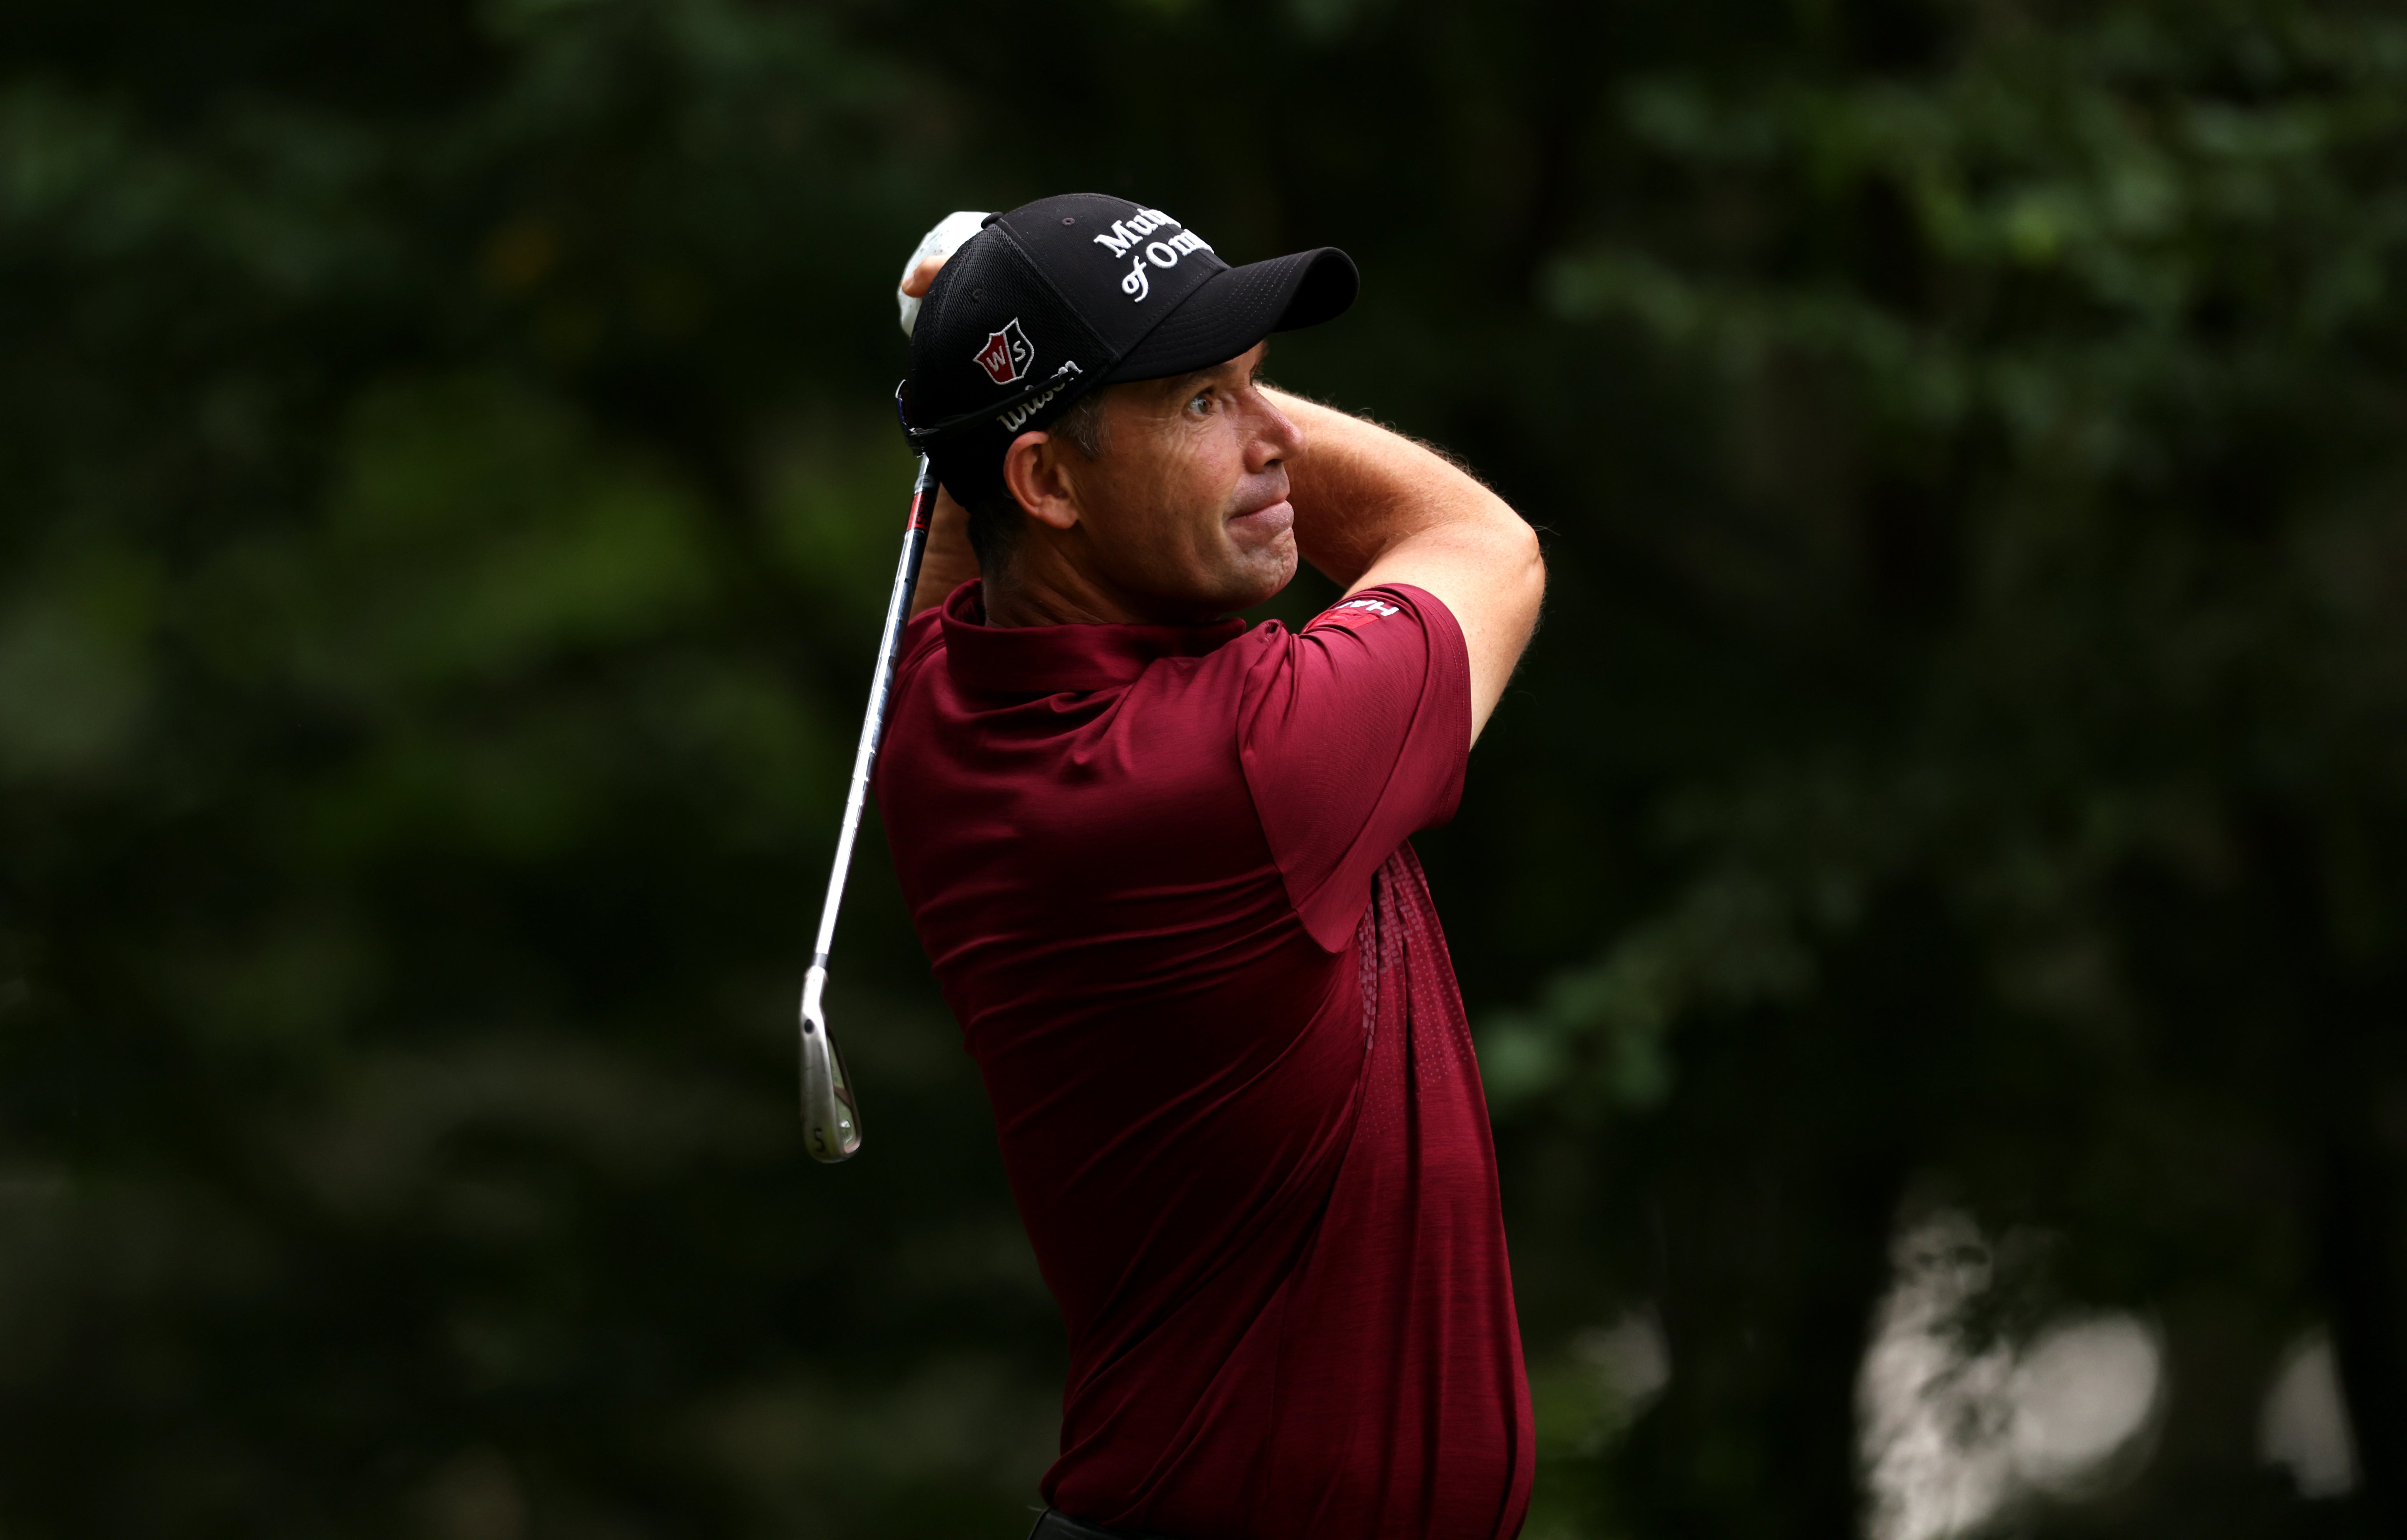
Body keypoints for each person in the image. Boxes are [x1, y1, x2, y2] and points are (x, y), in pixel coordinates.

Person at [880, 194, 1545, 1540]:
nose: (1277, 435)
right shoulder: (1240, 767)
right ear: (1051, 486)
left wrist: (1005, 358)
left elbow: (966, 543)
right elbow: (1486, 545)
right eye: (1202, 404)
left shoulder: (947, 726)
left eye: (1256, 383)